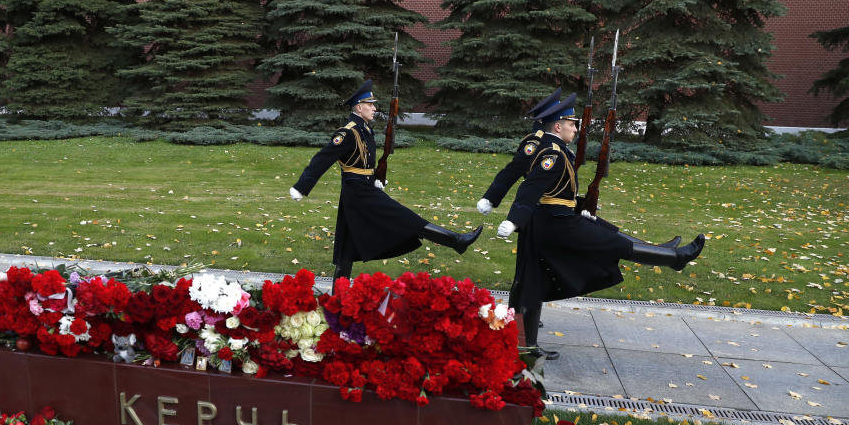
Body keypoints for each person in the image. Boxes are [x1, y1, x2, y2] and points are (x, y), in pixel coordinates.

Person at [478, 92, 704, 360]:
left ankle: (523, 346)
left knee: (530, 281)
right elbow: (529, 185)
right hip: (556, 224)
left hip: (552, 219)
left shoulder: (558, 149)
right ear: (558, 126)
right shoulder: (552, 152)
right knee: (613, 244)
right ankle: (675, 258)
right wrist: (513, 218)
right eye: (572, 124)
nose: (576, 128)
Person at [290, 80, 482, 292]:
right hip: (359, 194)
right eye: (370, 104)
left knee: (346, 252)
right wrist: (302, 186)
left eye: (374, 104)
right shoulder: (347, 133)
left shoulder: (365, 130)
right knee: (407, 219)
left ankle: (338, 300)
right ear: (358, 107)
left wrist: (375, 178)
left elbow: (362, 163)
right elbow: (322, 159)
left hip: (360, 192)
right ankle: (456, 240)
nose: (374, 108)